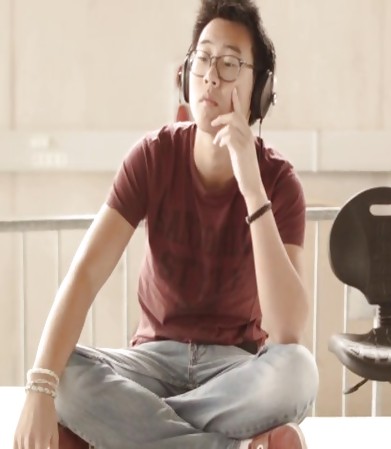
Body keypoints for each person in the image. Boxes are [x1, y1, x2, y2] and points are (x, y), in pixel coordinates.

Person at [13, 0, 319, 448]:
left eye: (230, 64)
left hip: (234, 370)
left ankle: (133, 432)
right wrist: (40, 386)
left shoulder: (278, 181)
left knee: (299, 373)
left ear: (260, 90)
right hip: (150, 363)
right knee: (66, 375)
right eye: (203, 58)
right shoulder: (153, 157)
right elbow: (85, 275)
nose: (211, 76)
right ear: (185, 74)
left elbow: (287, 328)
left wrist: (253, 190)